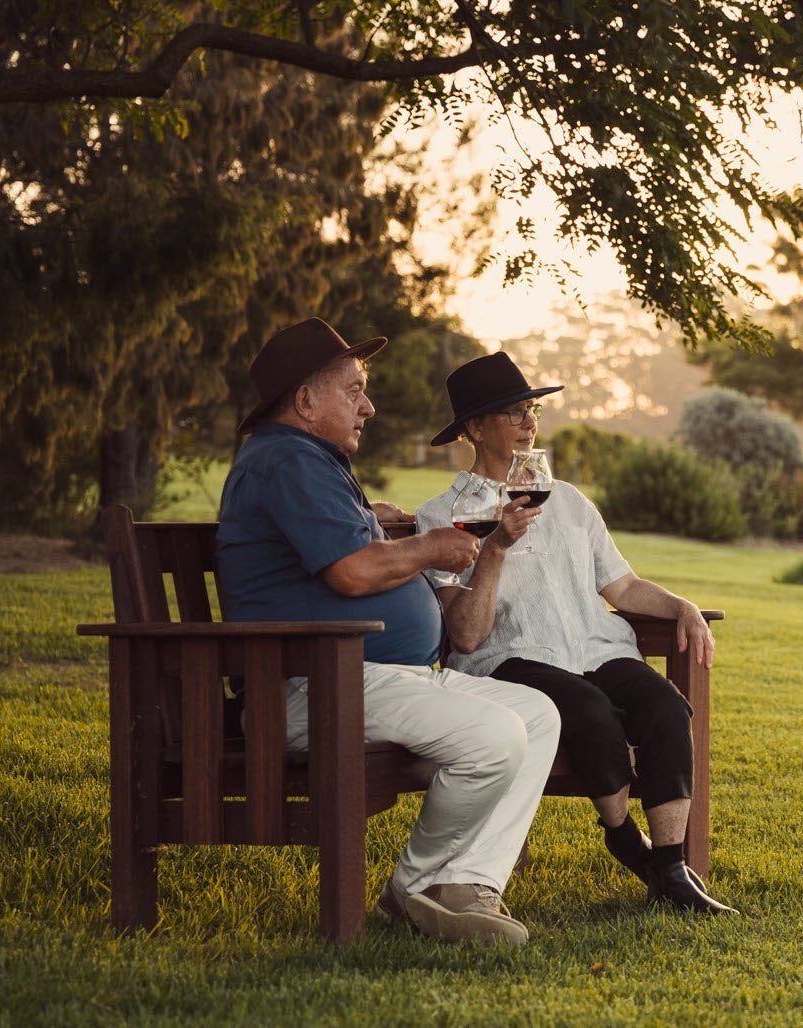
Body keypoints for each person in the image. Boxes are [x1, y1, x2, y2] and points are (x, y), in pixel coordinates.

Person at [215, 318, 562, 945]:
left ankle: (467, 883)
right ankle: (414, 892)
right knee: (494, 733)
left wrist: (367, 518)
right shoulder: (288, 460)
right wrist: (431, 545)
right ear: (303, 400)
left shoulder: (304, 461)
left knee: (538, 715)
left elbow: (333, 545)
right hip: (314, 683)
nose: (367, 406)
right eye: (353, 391)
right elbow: (350, 573)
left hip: (368, 677)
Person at [414, 352, 736, 915]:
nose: (529, 424)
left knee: (664, 706)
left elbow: (623, 586)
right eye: (513, 414)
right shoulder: (445, 514)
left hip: (591, 646)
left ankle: (671, 867)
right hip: (508, 658)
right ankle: (622, 837)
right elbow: (466, 637)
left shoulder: (567, 500)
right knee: (587, 709)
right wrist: (496, 547)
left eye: (531, 411)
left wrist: (681, 605)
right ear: (474, 428)